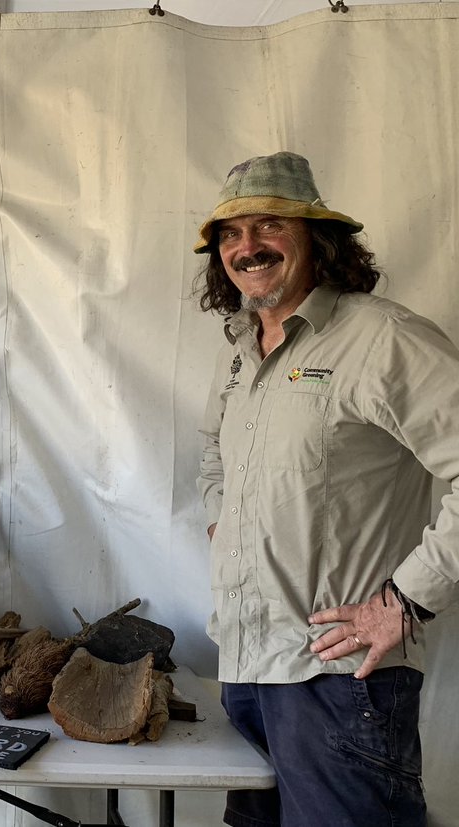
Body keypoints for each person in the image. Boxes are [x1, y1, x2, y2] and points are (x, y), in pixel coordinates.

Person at [194, 151, 459, 827]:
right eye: (229, 233)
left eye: (268, 226)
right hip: (249, 668)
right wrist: (223, 521)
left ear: (319, 240)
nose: (246, 247)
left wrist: (405, 600)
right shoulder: (243, 351)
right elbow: (212, 455)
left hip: (340, 684)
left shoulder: (381, 339)